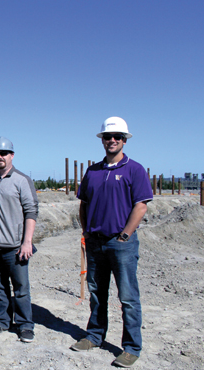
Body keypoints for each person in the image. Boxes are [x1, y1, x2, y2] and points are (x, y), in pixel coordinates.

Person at [71, 117, 153, 368]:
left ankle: (131, 348)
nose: (113, 140)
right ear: (102, 140)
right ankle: (95, 336)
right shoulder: (93, 171)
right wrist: (86, 232)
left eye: (118, 136)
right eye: (108, 136)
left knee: (128, 297)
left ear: (125, 140)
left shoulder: (134, 169)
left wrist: (125, 235)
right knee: (97, 293)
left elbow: (141, 205)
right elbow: (83, 204)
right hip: (95, 242)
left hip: (121, 244)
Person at [0, 137, 38, 343]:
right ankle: (2, 321)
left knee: (21, 288)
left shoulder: (22, 181)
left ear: (11, 155)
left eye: (3, 153)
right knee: (0, 287)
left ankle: (25, 325)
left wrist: (27, 242)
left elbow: (31, 212)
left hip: (14, 247)